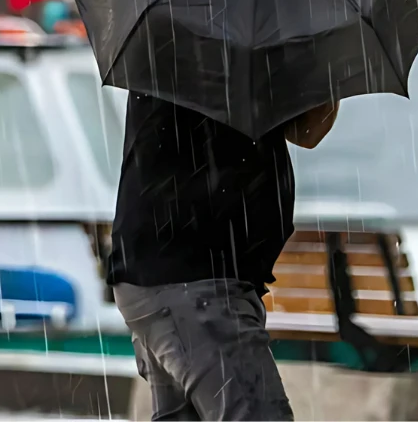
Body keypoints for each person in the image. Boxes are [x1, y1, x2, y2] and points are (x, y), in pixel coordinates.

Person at [107, 95, 338, 421]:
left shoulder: (213, 54)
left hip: (170, 272)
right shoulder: (219, 53)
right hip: (193, 279)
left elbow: (308, 130)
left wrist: (322, 67)